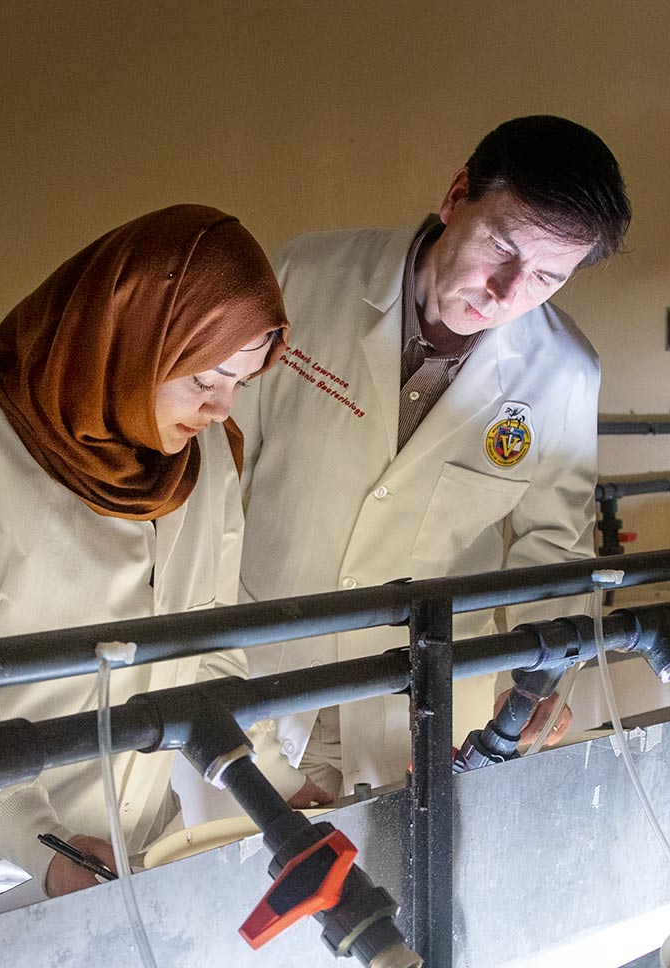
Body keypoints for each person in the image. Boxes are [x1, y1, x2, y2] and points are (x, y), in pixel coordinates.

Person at [0, 204, 288, 908]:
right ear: (130, 340)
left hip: (127, 856)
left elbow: (209, 648)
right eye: (204, 380)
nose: (221, 409)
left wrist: (273, 785)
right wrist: (38, 843)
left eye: (239, 385)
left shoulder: (202, 464)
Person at [230, 115, 630, 797]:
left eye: (546, 277)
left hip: (418, 703)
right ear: (456, 196)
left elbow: (552, 547)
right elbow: (220, 476)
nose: (507, 293)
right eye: (501, 247)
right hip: (257, 671)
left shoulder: (564, 373)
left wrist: (538, 673)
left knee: (401, 893)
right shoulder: (307, 278)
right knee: (234, 881)